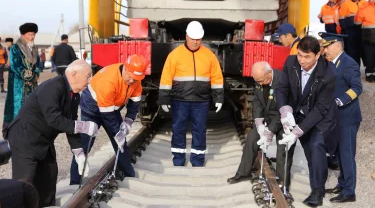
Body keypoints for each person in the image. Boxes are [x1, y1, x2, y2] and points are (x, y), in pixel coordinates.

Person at [4, 60, 99, 207]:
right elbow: (54, 120)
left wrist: (79, 152)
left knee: (48, 177)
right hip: (25, 137)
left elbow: (70, 123)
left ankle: (46, 205)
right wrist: (84, 126)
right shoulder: (53, 87)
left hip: (44, 140)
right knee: (25, 183)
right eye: (87, 76)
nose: (90, 80)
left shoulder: (75, 95)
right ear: (73, 74)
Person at [276, 36, 338, 207]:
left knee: (315, 147)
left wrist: (298, 132)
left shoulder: (329, 74)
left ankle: (317, 191)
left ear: (318, 55)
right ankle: (283, 185)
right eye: (300, 55)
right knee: (285, 145)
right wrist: (285, 110)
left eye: (307, 57)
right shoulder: (291, 62)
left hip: (320, 118)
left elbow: (320, 109)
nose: (302, 61)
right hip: (296, 112)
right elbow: (282, 89)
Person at [70, 54, 149, 185]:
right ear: (126, 68)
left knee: (121, 143)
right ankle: (74, 181)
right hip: (92, 109)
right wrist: (117, 132)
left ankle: (129, 173)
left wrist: (129, 121)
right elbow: (107, 116)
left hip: (111, 108)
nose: (131, 81)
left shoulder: (135, 79)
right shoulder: (109, 80)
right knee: (85, 143)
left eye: (135, 79)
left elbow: (135, 102)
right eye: (130, 77)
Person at [159, 21, 224, 167]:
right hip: (179, 100)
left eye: (198, 39)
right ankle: (178, 160)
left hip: (201, 101)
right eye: (193, 38)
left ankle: (198, 160)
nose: (195, 42)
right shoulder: (174, 55)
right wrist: (164, 99)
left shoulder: (209, 56)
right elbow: (166, 78)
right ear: (186, 36)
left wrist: (218, 98)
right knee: (178, 130)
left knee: (199, 130)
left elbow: (217, 77)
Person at [227, 62, 295, 189]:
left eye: (261, 80)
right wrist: (259, 122)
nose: (258, 83)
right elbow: (257, 101)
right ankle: (243, 172)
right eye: (256, 81)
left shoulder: (283, 80)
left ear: (269, 74)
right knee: (252, 139)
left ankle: (283, 183)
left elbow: (284, 109)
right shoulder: (260, 79)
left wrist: (270, 131)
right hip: (268, 118)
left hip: (283, 119)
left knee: (283, 151)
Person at [320, 32, 362, 203]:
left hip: (347, 118)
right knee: (337, 154)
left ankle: (349, 192)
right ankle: (342, 183)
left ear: (338, 45)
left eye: (327, 46)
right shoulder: (331, 63)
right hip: (336, 118)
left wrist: (340, 100)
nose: (325, 50)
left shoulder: (349, 63)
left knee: (346, 154)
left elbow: (357, 88)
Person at [2, 23, 41, 132]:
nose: (31, 37)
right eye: (29, 34)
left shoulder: (34, 48)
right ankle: (16, 131)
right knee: (18, 106)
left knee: (33, 105)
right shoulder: (16, 48)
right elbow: (15, 65)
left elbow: (38, 64)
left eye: (33, 35)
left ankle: (31, 128)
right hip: (18, 83)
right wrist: (30, 77)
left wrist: (36, 73)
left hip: (32, 84)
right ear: (23, 35)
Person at [339, 0, 367, 66]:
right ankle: (355, 69)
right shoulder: (345, 4)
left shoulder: (365, 3)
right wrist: (345, 31)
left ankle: (369, 70)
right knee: (352, 52)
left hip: (362, 30)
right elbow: (341, 18)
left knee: (364, 50)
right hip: (350, 31)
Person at [355, 0, 375, 82]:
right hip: (368, 38)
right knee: (369, 56)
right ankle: (369, 74)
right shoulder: (363, 8)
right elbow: (357, 22)